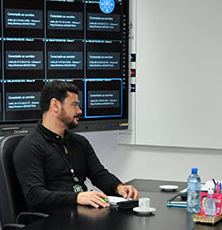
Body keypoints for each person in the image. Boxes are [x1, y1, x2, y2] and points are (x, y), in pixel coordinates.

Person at [13, 80, 139, 211]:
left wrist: (119, 187)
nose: (79, 111)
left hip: (81, 214)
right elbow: (35, 195)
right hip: (51, 221)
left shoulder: (79, 142)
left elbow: (98, 174)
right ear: (55, 105)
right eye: (74, 105)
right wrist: (77, 198)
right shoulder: (30, 147)